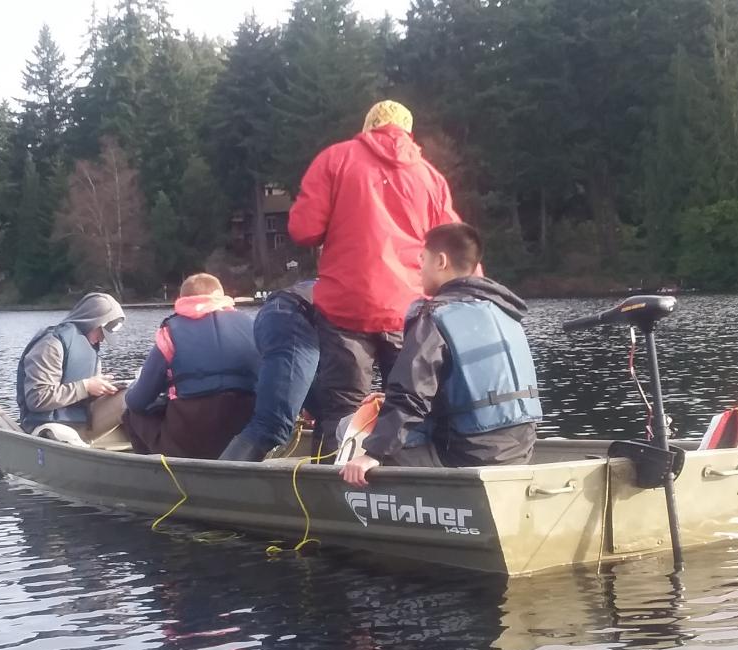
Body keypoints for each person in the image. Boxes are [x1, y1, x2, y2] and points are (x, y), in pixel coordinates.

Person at [288, 100, 461, 453]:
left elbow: (304, 230)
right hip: (408, 310)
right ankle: (413, 489)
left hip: (346, 309)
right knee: (412, 408)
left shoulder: (335, 160)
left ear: (369, 126)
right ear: (408, 132)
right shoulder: (431, 177)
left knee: (341, 412)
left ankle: (330, 494)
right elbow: (453, 247)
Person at [341, 223, 542, 487]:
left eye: (422, 260)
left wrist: (372, 454)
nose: (419, 269)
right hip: (520, 449)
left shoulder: (434, 316)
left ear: (441, 261)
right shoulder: (505, 313)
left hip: (468, 454)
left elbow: (411, 395)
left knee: (349, 425)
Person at [122, 273, 260, 458]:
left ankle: (153, 475)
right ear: (221, 295)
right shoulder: (253, 327)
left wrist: (132, 390)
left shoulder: (169, 333)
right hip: (244, 434)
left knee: (131, 414)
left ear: (182, 299)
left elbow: (138, 401)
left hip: (191, 438)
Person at [219, 280, 320, 461]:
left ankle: (325, 481)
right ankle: (213, 485)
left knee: (332, 412)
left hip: (287, 314)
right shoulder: (381, 303)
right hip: (294, 317)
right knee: (272, 424)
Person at [16, 292, 126, 437]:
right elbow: (37, 398)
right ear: (90, 321)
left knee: (131, 396)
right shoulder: (50, 345)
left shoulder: (90, 349)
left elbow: (84, 395)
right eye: (101, 332)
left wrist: (101, 389)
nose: (102, 339)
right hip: (48, 426)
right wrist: (86, 387)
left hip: (81, 422)